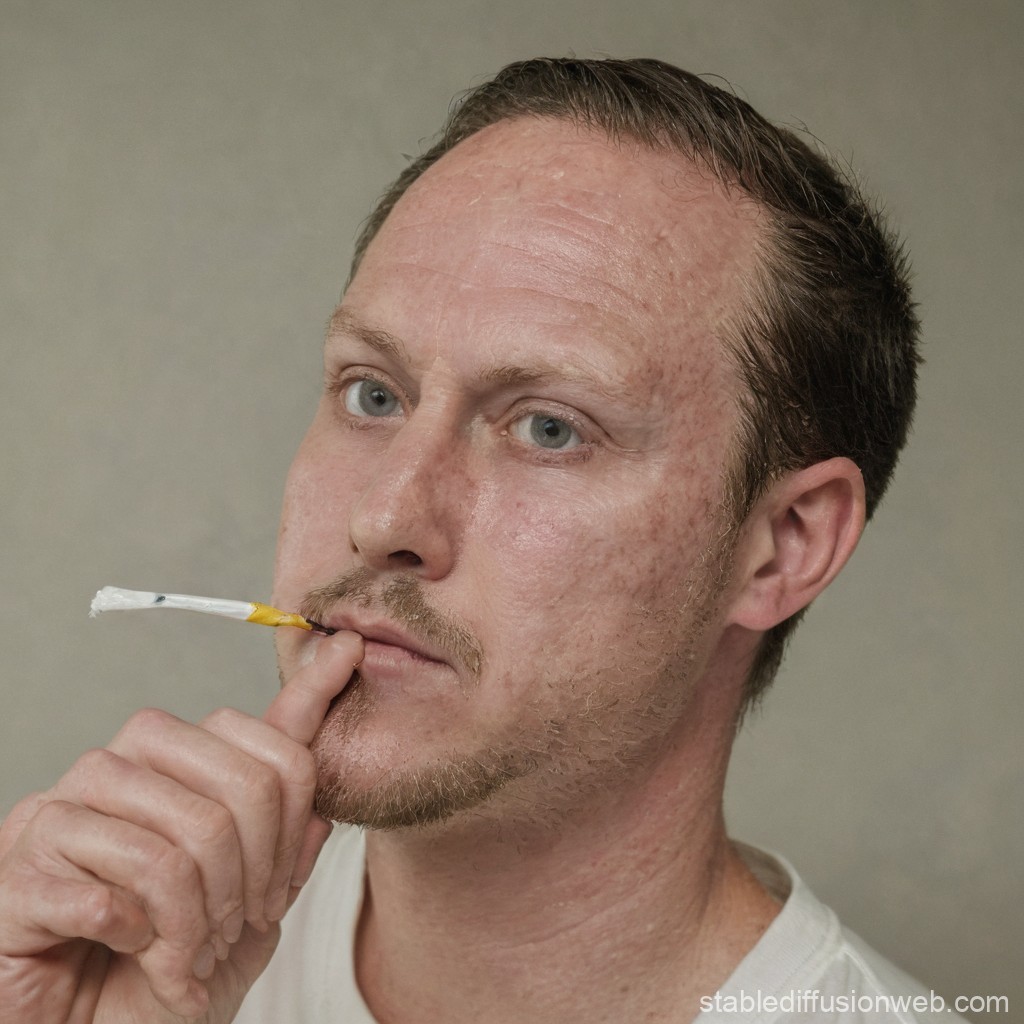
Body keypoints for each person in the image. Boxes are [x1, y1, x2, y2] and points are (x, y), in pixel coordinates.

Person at [0, 57, 963, 1023]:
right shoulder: (134, 956)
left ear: (784, 544)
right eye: (373, 394)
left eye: (549, 427)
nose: (383, 522)